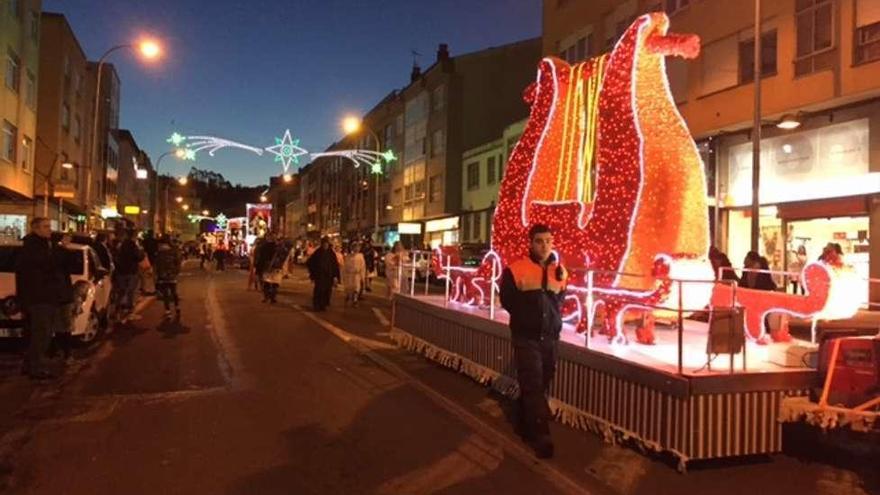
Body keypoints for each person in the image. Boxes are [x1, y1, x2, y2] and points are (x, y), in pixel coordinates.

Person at [499, 224, 568, 459]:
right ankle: (541, 436)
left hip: (550, 338)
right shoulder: (516, 269)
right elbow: (507, 300)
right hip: (526, 337)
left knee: (543, 380)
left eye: (549, 241)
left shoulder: (559, 271)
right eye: (540, 241)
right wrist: (525, 317)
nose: (545, 245)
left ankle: (522, 416)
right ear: (531, 243)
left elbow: (560, 299)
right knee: (533, 381)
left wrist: (553, 321)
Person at [15, 218, 77, 379]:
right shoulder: (33, 247)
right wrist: (61, 248)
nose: (49, 229)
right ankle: (35, 367)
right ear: (36, 228)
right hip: (40, 297)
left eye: (49, 226)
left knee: (43, 332)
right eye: (46, 226)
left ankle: (31, 364)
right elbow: (48, 264)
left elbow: (63, 263)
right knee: (42, 334)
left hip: (46, 296)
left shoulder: (44, 245)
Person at [113, 229, 144, 321]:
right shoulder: (133, 245)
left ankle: (117, 311)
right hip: (131, 271)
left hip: (121, 271)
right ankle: (129, 312)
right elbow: (138, 257)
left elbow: (116, 256)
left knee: (121, 291)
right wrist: (141, 252)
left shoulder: (121, 245)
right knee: (131, 292)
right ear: (133, 236)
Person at [306, 237, 340, 311]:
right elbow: (310, 262)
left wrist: (335, 276)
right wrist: (313, 273)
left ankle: (323, 304)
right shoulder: (318, 252)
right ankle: (317, 304)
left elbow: (335, 265)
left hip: (328, 276)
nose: (325, 245)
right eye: (324, 244)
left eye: (327, 244)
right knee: (319, 290)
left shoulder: (331, 253)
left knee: (327, 291)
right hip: (320, 276)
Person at [154, 236, 182, 319]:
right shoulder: (173, 251)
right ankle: (177, 307)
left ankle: (168, 311)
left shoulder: (159, 253)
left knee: (166, 293)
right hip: (172, 275)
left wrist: (156, 275)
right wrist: (176, 271)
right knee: (174, 291)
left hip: (162, 276)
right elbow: (178, 262)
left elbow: (157, 265)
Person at [342, 242, 367, 307]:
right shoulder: (348, 256)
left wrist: (362, 276)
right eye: (355, 247)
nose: (356, 249)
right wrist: (344, 274)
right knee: (349, 287)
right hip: (349, 274)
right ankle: (348, 295)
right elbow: (345, 266)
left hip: (357, 275)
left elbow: (363, 267)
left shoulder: (361, 256)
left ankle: (355, 300)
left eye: (358, 247)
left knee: (356, 287)